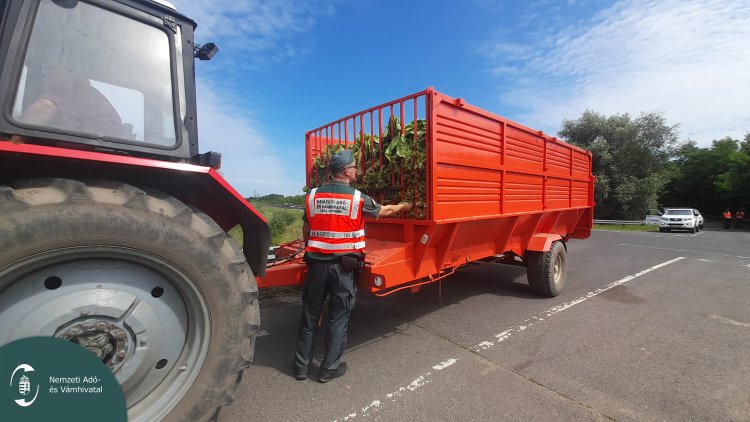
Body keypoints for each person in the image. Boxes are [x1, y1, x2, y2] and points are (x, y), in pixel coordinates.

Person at [293, 149, 412, 383]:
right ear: (346, 171)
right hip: (343, 269)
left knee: (309, 316)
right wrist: (403, 206)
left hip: (316, 266)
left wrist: (311, 246)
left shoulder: (313, 195)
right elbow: (385, 211)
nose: (357, 170)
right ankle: (328, 369)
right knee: (338, 318)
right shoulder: (357, 198)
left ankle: (300, 368)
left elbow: (307, 227)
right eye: (355, 167)